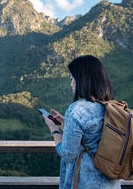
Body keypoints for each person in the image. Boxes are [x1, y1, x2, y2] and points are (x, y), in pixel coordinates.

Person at [43, 55, 121, 189]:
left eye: (72, 78)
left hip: (86, 184)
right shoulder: (112, 107)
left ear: (81, 80)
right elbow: (93, 138)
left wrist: (54, 130)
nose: (71, 83)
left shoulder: (77, 110)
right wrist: (66, 125)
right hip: (111, 184)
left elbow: (68, 154)